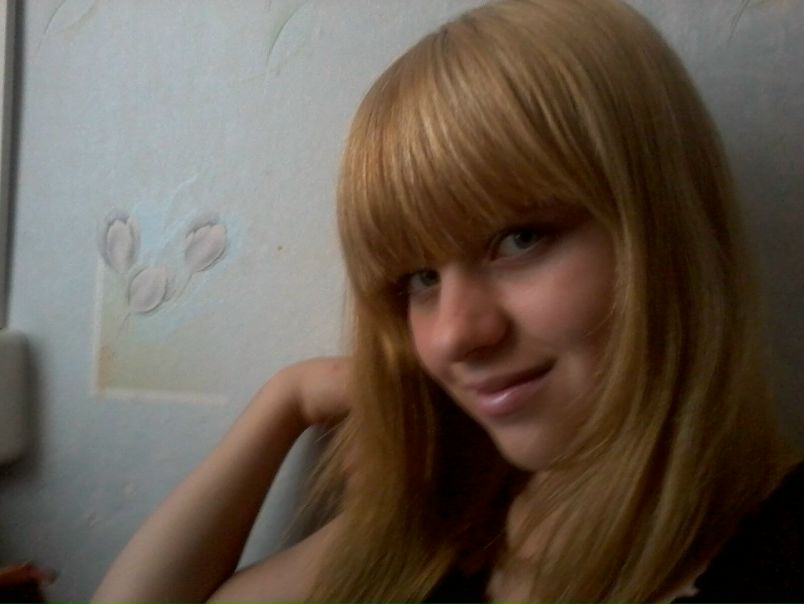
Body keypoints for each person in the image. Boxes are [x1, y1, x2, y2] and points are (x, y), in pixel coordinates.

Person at [92, 0, 802, 602]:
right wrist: (289, 397)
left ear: (665, 224)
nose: (454, 336)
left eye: (520, 238)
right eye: (419, 280)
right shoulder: (460, 521)